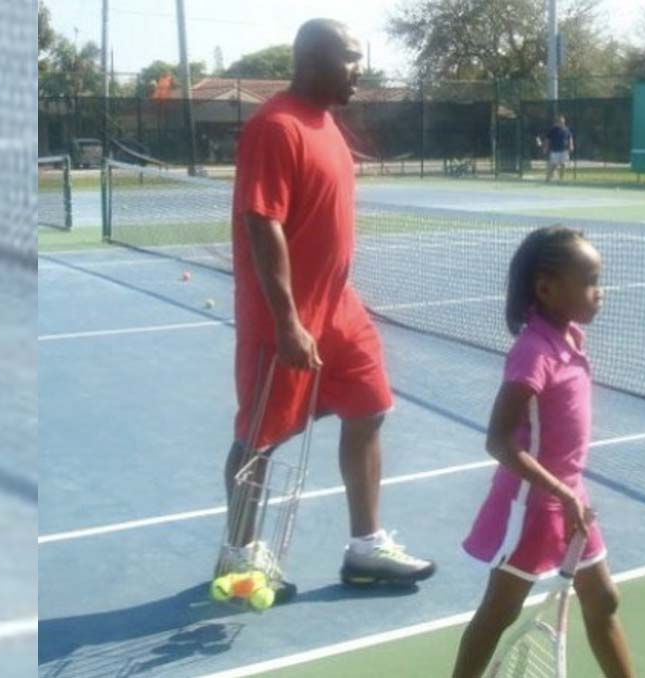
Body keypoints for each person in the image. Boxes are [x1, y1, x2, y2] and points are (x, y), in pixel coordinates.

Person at [220, 18, 436, 589]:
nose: (358, 70)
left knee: (369, 407)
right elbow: (261, 223)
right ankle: (238, 552)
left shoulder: (328, 125)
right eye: (348, 58)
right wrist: (288, 322)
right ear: (310, 59)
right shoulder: (276, 126)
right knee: (260, 440)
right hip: (283, 316)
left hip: (340, 308)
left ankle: (365, 546)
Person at [452, 227, 634, 677]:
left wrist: (570, 494)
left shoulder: (570, 339)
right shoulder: (533, 353)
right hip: (532, 504)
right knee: (499, 612)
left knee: (603, 599)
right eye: (590, 281)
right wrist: (560, 492)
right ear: (547, 289)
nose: (599, 292)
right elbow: (498, 441)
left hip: (570, 496)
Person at [544, 114, 574, 182]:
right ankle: (548, 178)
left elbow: (570, 137)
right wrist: (546, 147)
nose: (562, 123)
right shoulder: (553, 129)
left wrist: (571, 145)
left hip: (564, 150)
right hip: (555, 151)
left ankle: (561, 179)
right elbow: (547, 139)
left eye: (563, 122)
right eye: (560, 122)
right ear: (557, 122)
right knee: (553, 165)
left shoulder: (566, 129)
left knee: (564, 164)